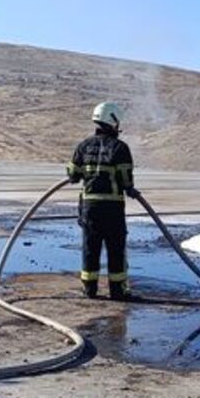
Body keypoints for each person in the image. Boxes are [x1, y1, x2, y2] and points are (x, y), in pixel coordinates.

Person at [67, 102, 139, 300]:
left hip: (89, 208)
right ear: (113, 121)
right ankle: (117, 290)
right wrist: (130, 188)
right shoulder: (120, 147)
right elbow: (125, 178)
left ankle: (90, 289)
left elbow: (73, 174)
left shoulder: (83, 146)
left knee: (91, 247)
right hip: (113, 209)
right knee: (116, 248)